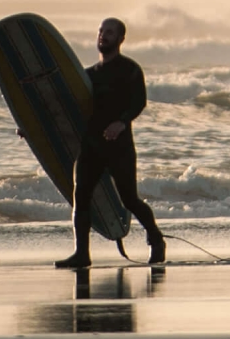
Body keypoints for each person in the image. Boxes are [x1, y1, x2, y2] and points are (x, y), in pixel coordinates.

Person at [62, 16, 164, 267]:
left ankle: (156, 239)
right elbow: (65, 108)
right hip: (91, 146)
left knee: (129, 199)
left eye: (109, 32)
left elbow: (139, 101)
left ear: (121, 39)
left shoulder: (129, 69)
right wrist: (31, 128)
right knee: (81, 196)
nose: (102, 36)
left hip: (119, 148)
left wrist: (122, 122)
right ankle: (82, 254)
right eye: (100, 31)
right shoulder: (86, 76)